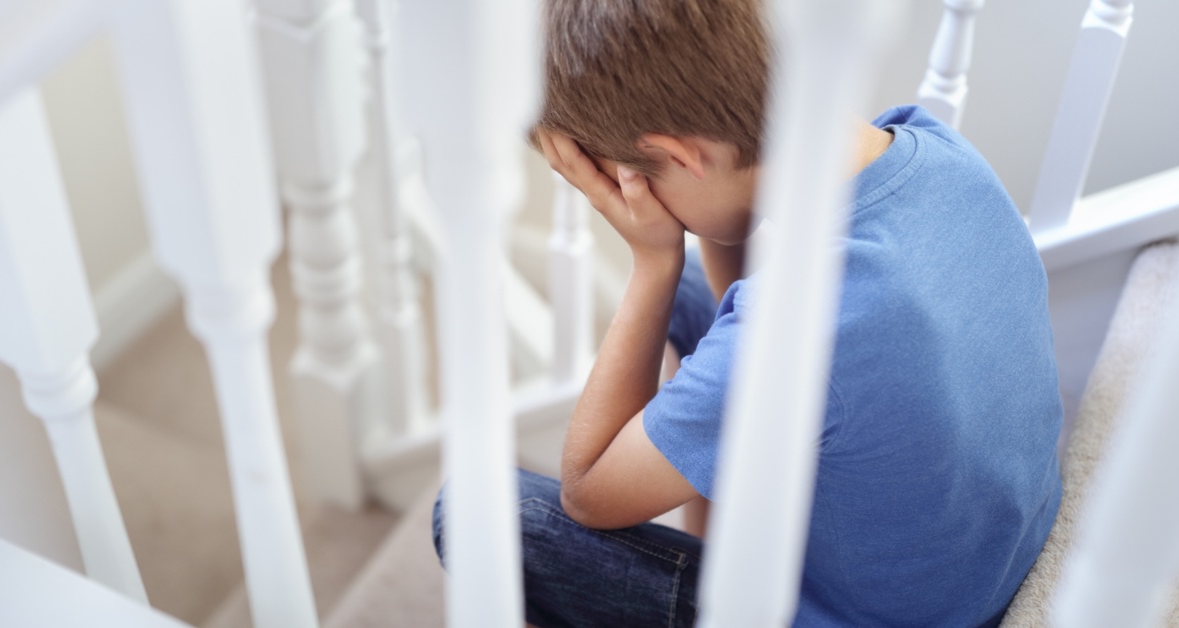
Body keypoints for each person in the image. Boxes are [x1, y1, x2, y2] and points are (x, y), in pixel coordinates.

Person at [432, 0, 1063, 625]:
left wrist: (653, 264)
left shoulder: (813, 322)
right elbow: (750, 305)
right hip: (980, 552)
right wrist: (705, 215)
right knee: (691, 309)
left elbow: (590, 492)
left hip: (875, 616)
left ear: (680, 158)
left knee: (478, 516)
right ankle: (705, 481)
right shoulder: (937, 149)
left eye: (626, 181)